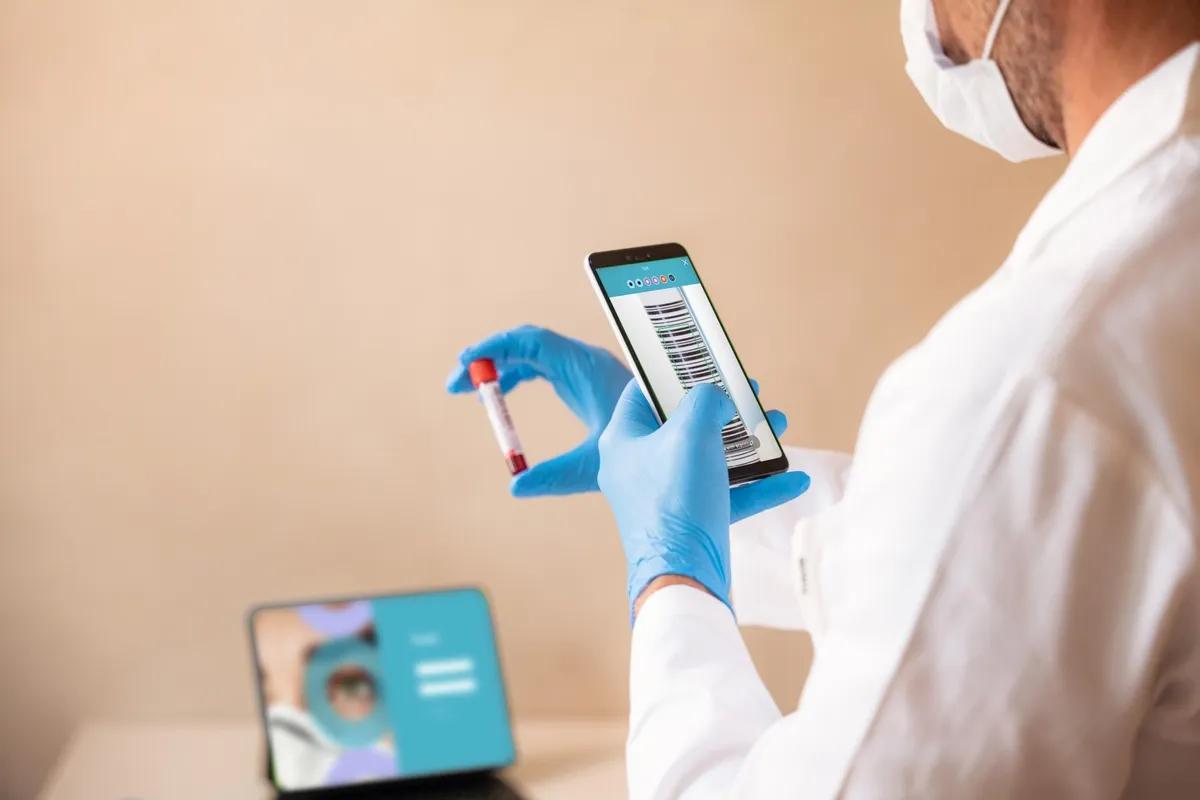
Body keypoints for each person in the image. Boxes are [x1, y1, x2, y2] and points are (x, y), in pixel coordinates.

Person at [447, 0, 1200, 795]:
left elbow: (1007, 496)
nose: (929, 21)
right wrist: (716, 497)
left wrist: (672, 581)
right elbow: (1029, 555)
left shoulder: (1033, 379)